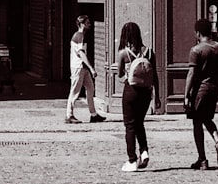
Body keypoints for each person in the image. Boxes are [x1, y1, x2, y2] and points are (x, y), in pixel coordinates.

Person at [115, 22, 160, 172]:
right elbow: (155, 76)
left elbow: (120, 73)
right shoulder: (149, 52)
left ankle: (132, 160)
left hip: (131, 90)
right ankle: (144, 151)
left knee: (130, 125)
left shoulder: (124, 53)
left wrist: (127, 71)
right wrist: (157, 96)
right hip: (146, 92)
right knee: (140, 122)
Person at [185, 19, 218, 170]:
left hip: (200, 89)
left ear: (197, 33)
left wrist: (186, 94)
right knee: (207, 118)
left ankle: (202, 158)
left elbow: (191, 73)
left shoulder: (196, 50)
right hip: (214, 88)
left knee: (197, 122)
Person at [66, 15, 105, 124]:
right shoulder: (79, 36)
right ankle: (69, 115)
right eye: (87, 23)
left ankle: (93, 114)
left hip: (83, 68)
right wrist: (92, 68)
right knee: (74, 91)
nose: (89, 25)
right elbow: (81, 53)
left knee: (90, 89)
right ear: (82, 24)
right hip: (78, 67)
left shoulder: (81, 35)